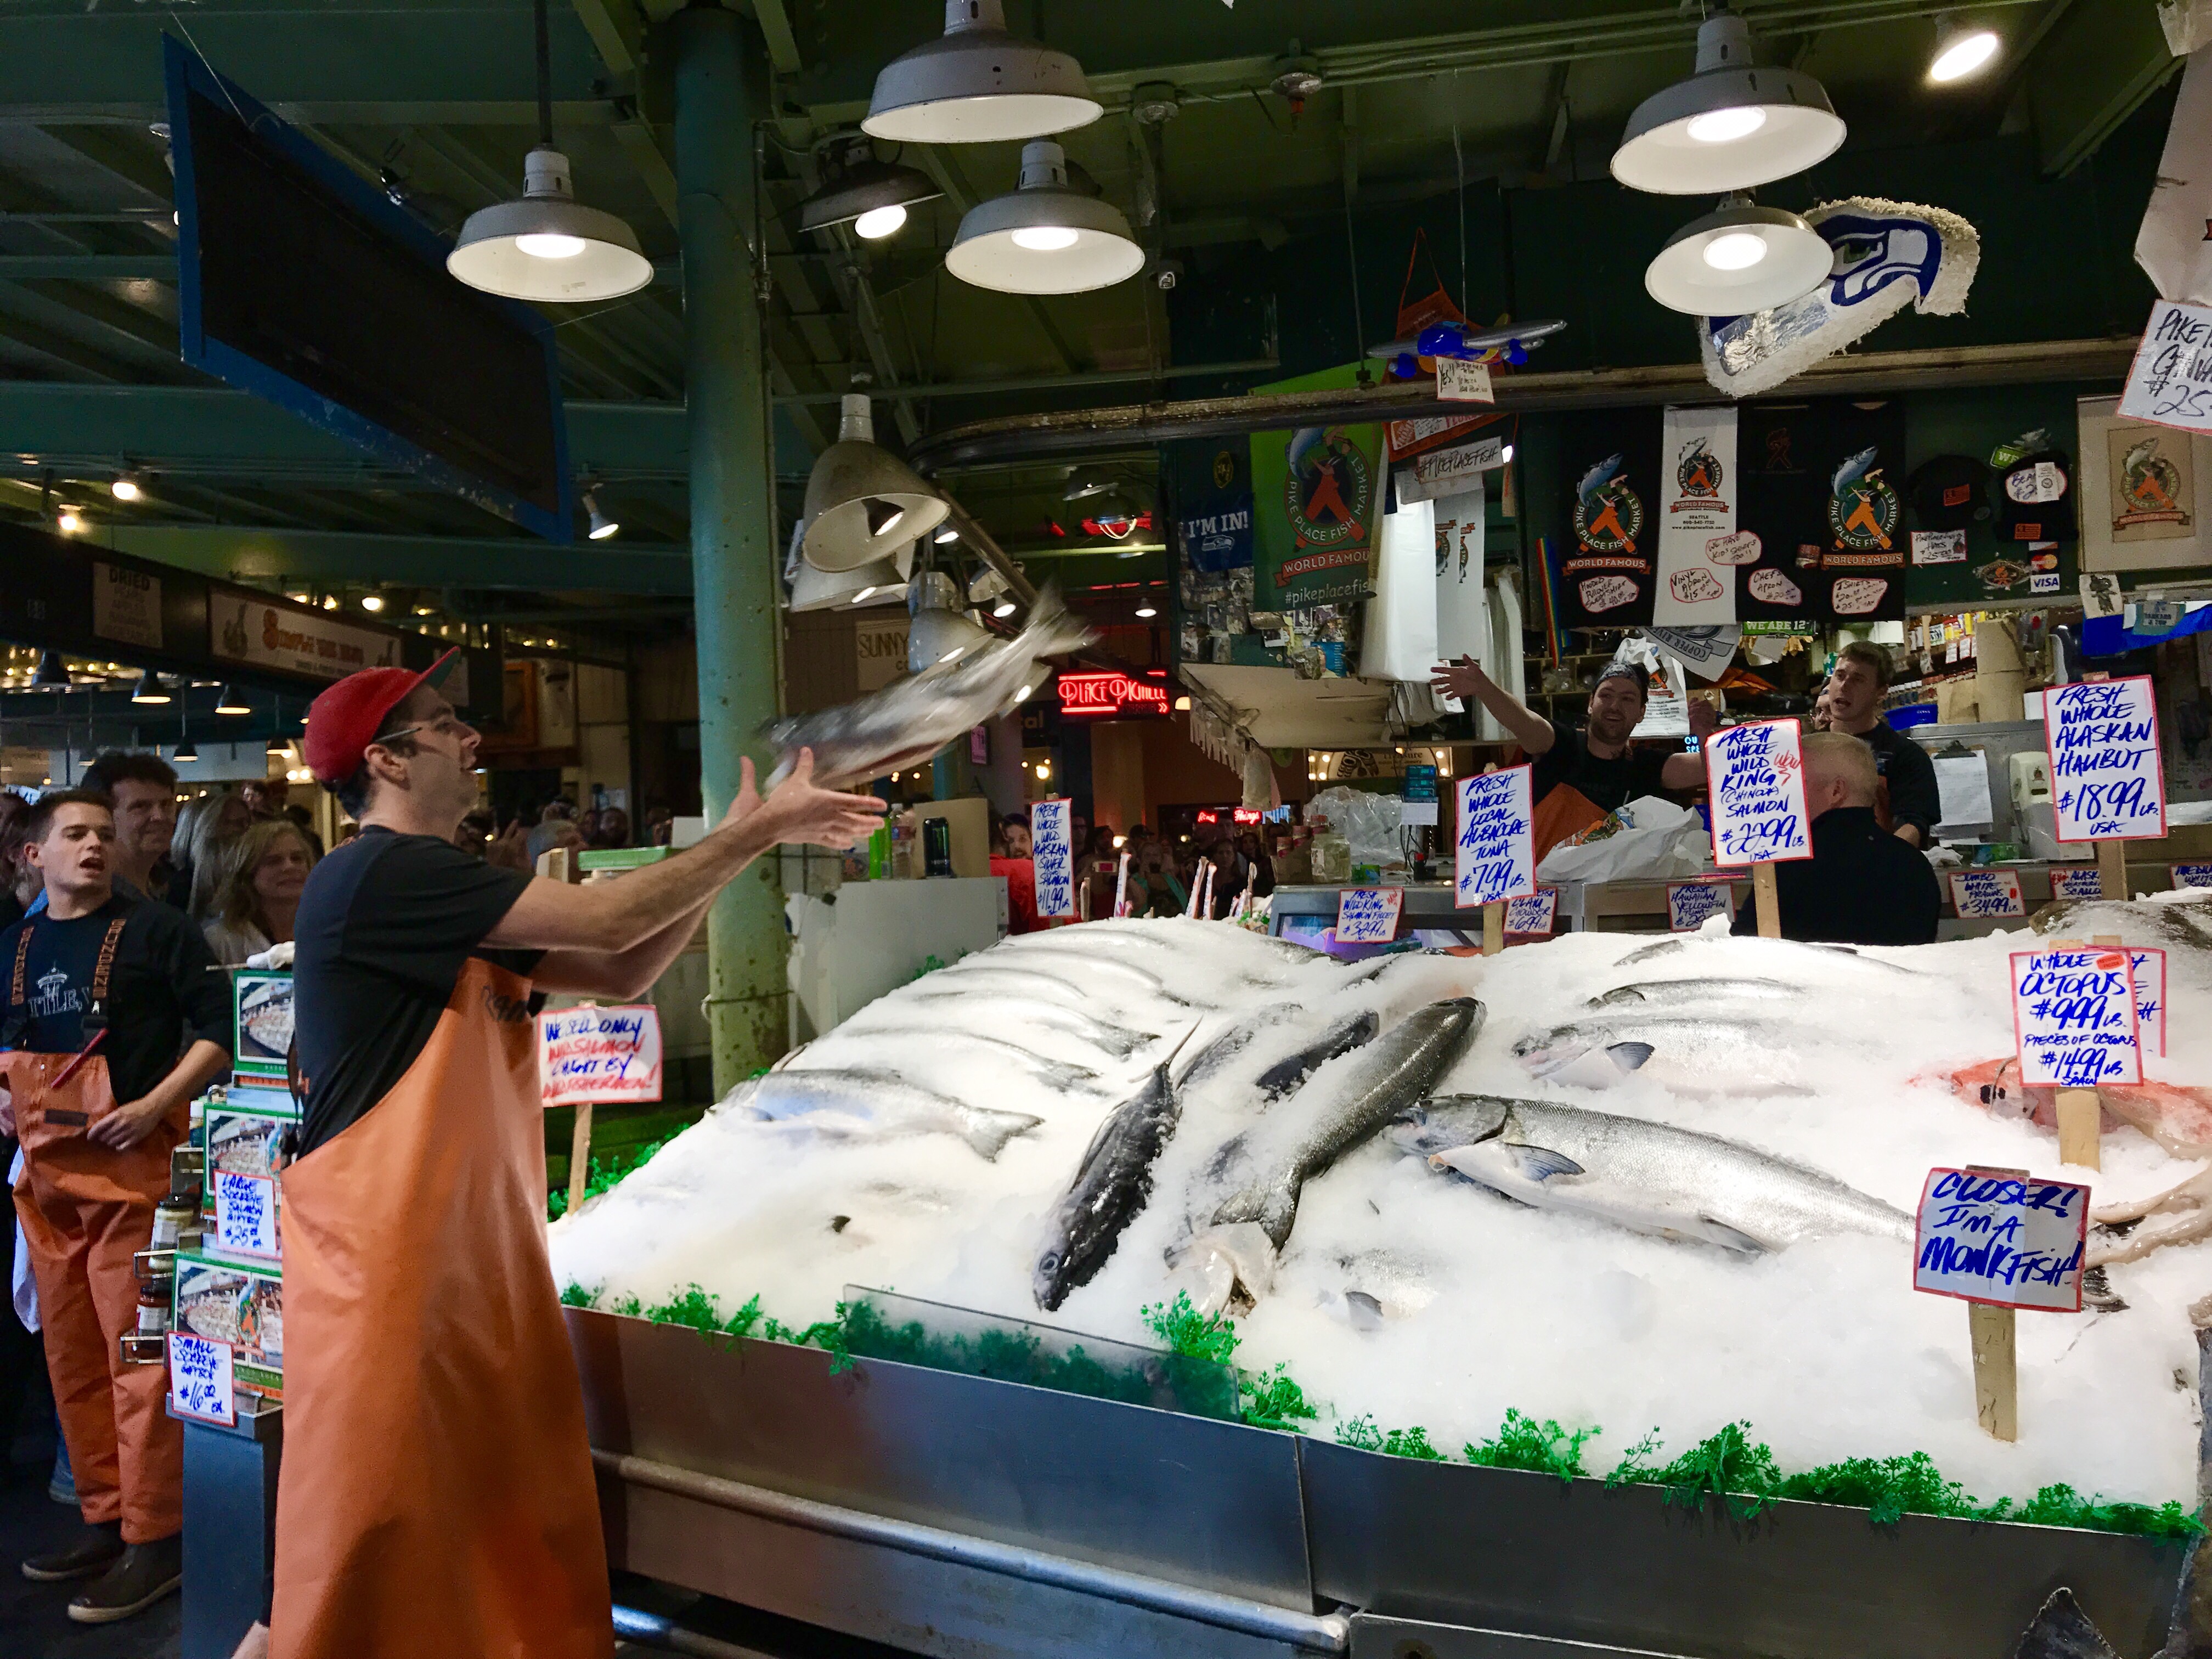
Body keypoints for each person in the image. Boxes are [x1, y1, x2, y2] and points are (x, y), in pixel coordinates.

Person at [237, 652, 883, 1659]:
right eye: (447, 723)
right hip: (391, 1287)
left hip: (470, 1272)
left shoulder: (447, 889)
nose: (471, 738)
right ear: (389, 760)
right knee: (370, 1546)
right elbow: (617, 915)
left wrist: (743, 851)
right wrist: (750, 830)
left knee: (487, 1544)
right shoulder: (378, 873)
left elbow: (623, 965)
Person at [0, 789, 233, 1625]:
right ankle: (103, 1517)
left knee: (140, 1361)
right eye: (75, 834)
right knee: (73, 1359)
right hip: (48, 1184)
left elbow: (219, 1030)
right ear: (36, 856)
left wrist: (153, 1102)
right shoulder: (14, 946)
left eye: (103, 833)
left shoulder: (158, 931)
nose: (94, 845)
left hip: (135, 1176)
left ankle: (157, 1538)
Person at [1430, 657, 1711, 863]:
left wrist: (1705, 735)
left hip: (1608, 907)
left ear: (1641, 713)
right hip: (1541, 903)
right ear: (1591, 703)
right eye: (1606, 695)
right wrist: (1484, 688)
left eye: (1627, 699)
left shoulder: (1647, 766)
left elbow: (1710, 767)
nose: (1614, 706)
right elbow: (1522, 720)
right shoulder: (1559, 745)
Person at [1731, 732, 1941, 946]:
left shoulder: (1790, 867)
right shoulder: (1915, 865)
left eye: (1794, 782)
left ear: (1836, 791)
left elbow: (1745, 955)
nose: (1782, 794)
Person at [1822, 641, 1940, 847]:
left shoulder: (1905, 755)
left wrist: (1880, 862)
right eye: (1840, 676)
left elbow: (1914, 824)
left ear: (1881, 692)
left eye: (1858, 680)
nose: (1844, 686)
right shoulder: (1805, 751)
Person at [202, 820, 318, 967]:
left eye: (297, 858)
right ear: (248, 872)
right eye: (274, 861)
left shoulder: (327, 929)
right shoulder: (222, 940)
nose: (290, 866)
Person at [78, 753, 178, 906]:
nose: (160, 817)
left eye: (166, 805)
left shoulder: (161, 889)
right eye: (141, 806)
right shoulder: (87, 900)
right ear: (101, 817)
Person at [174, 788, 253, 921]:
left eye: (248, 823)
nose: (246, 831)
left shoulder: (249, 876)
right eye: (235, 823)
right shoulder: (183, 886)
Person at [989, 814, 1040, 934]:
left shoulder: (1036, 873)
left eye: (1023, 839)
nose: (1017, 847)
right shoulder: (1022, 873)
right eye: (1011, 841)